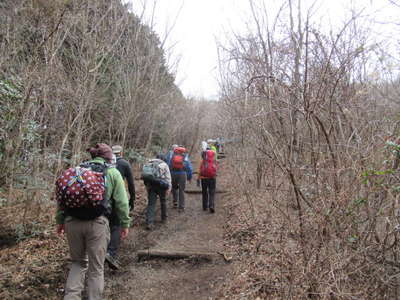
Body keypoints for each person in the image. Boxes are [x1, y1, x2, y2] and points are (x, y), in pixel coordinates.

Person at [55, 143, 131, 300]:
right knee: (96, 269)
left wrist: (60, 221)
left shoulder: (77, 171)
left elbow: (62, 199)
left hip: (72, 222)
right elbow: (122, 202)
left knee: (77, 263)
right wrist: (125, 223)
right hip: (97, 224)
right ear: (109, 157)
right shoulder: (112, 172)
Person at [104, 145, 136, 269]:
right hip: (117, 198)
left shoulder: (101, 166)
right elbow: (131, 183)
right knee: (116, 226)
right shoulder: (124, 164)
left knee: (104, 224)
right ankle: (111, 253)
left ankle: (101, 251)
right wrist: (132, 199)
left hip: (101, 201)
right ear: (121, 152)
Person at [143, 154, 172, 230]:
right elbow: (168, 177)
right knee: (163, 201)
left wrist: (147, 187)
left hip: (151, 185)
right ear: (162, 158)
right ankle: (164, 219)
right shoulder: (164, 164)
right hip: (161, 185)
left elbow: (145, 177)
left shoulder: (149, 163)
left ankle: (149, 222)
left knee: (151, 204)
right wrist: (169, 188)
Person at [168, 146, 193, 211]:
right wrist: (189, 177)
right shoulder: (185, 157)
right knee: (181, 190)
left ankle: (175, 202)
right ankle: (181, 207)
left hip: (173, 174)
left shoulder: (172, 156)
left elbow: (169, 165)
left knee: (174, 188)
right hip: (182, 174)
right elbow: (189, 167)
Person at [197, 149, 218, 213]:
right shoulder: (214, 161)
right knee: (211, 192)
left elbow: (199, 170)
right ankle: (211, 205)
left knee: (204, 192)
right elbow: (216, 169)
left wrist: (198, 178)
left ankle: (205, 207)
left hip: (204, 178)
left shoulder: (203, 161)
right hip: (212, 178)